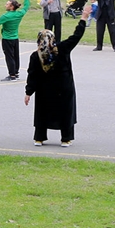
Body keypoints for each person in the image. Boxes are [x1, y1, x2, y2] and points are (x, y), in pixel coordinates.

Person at [25, 9, 90, 147]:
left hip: (44, 89)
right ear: (52, 39)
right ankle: (65, 138)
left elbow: (32, 75)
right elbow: (76, 36)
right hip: (63, 88)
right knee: (65, 112)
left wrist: (28, 92)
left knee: (42, 111)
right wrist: (83, 18)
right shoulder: (62, 49)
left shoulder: (36, 56)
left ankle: (39, 138)